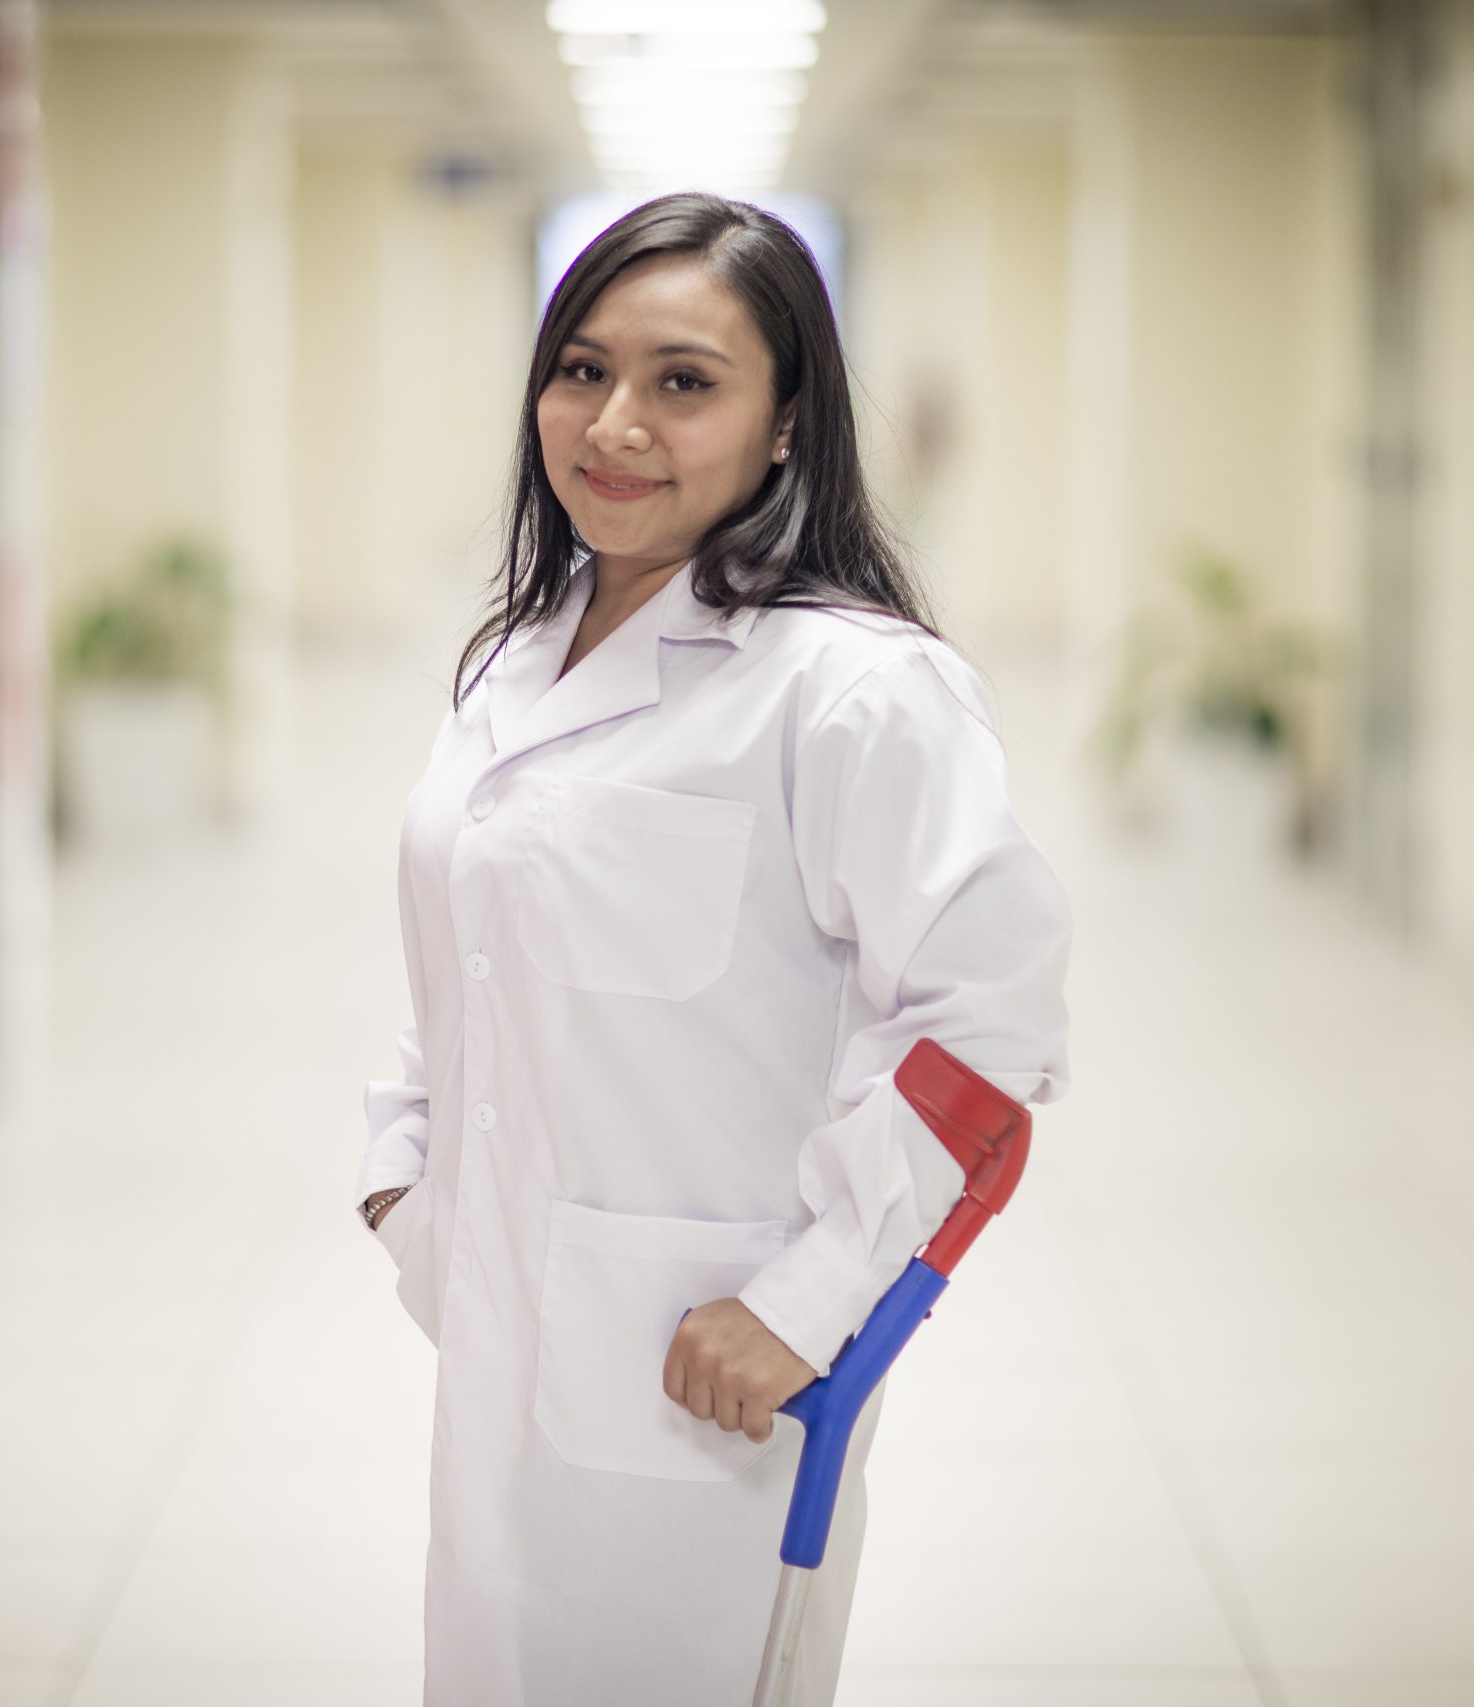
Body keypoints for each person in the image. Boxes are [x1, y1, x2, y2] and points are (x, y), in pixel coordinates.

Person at [353, 192, 1073, 1707]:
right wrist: (400, 1176)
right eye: (580, 370)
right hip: (500, 1327)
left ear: (787, 423)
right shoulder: (524, 654)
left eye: (685, 381)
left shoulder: (857, 691)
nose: (614, 423)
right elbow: (472, 944)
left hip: (708, 1374)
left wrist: (806, 1307)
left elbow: (985, 1034)